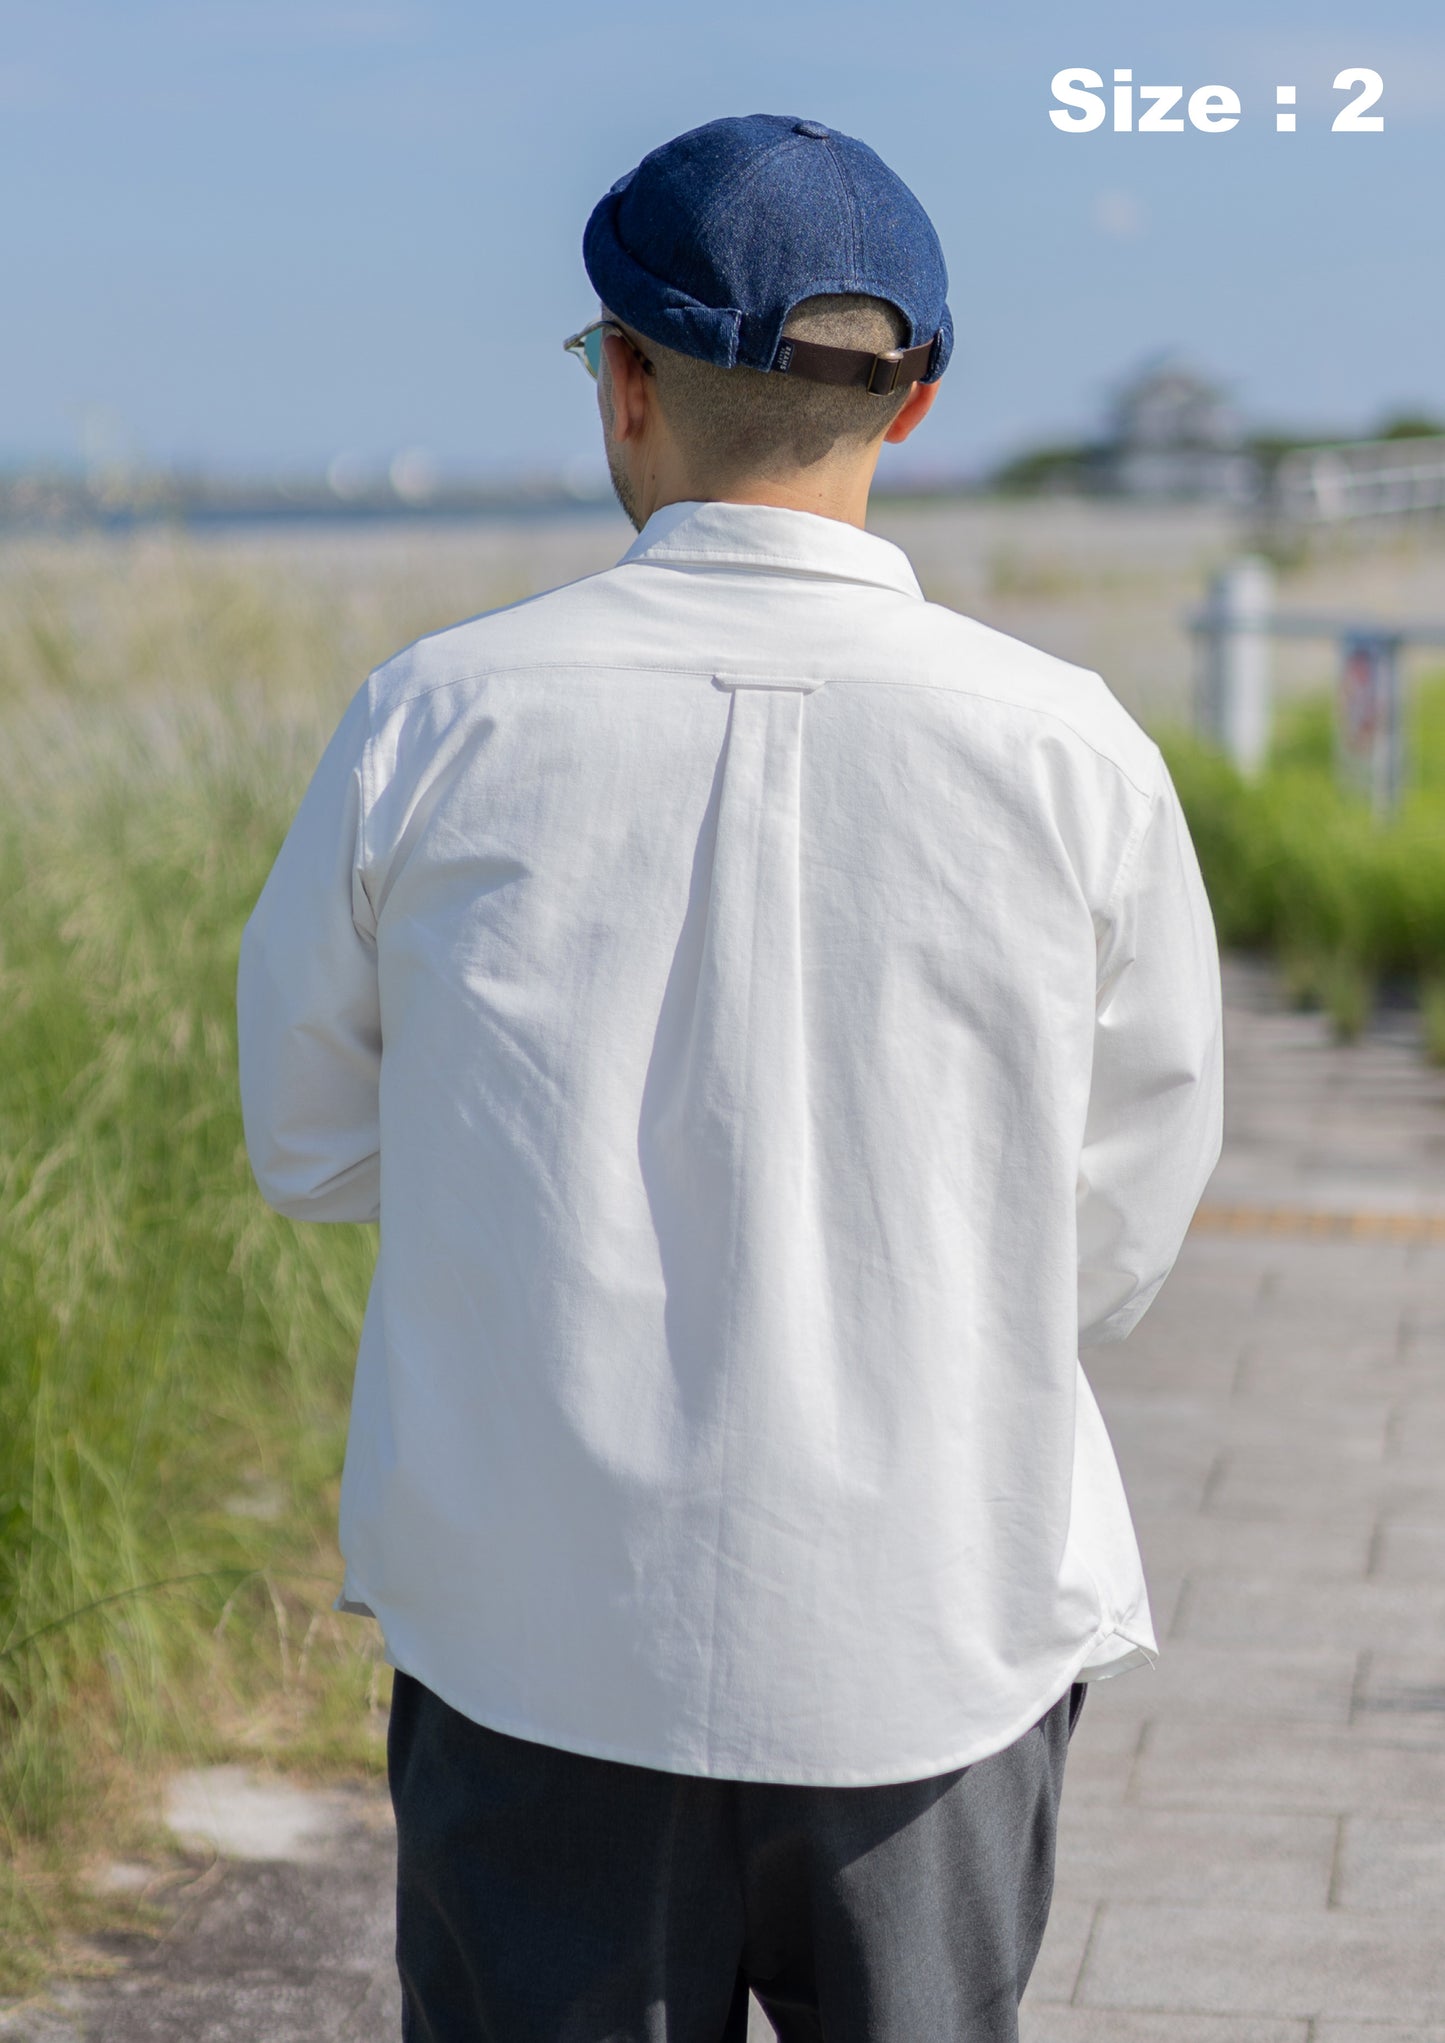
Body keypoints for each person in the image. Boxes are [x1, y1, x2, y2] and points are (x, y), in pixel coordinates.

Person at [237, 113, 1224, 2043]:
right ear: (913, 403)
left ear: (621, 379)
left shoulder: (435, 719)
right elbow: (1123, 1209)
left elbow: (310, 1143)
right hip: (935, 1612)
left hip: (533, 1623)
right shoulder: (1068, 747)